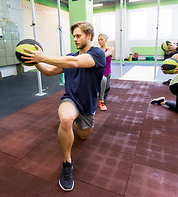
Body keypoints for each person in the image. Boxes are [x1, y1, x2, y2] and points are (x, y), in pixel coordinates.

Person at [21, 21, 106, 192]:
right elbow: (49, 71)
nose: (75, 39)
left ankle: (76, 123)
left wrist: (42, 56)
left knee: (83, 136)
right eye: (73, 36)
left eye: (78, 36)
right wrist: (34, 61)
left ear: (89, 36)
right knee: (66, 120)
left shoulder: (97, 54)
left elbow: (74, 62)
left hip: (88, 106)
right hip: (71, 99)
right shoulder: (69, 56)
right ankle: (67, 163)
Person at [97, 33, 114, 111]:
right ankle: (101, 101)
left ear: (106, 40)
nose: (100, 41)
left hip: (108, 73)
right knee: (102, 80)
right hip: (99, 73)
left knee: (105, 93)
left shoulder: (110, 49)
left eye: (101, 39)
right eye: (98, 40)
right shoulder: (97, 50)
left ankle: (101, 93)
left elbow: (105, 55)